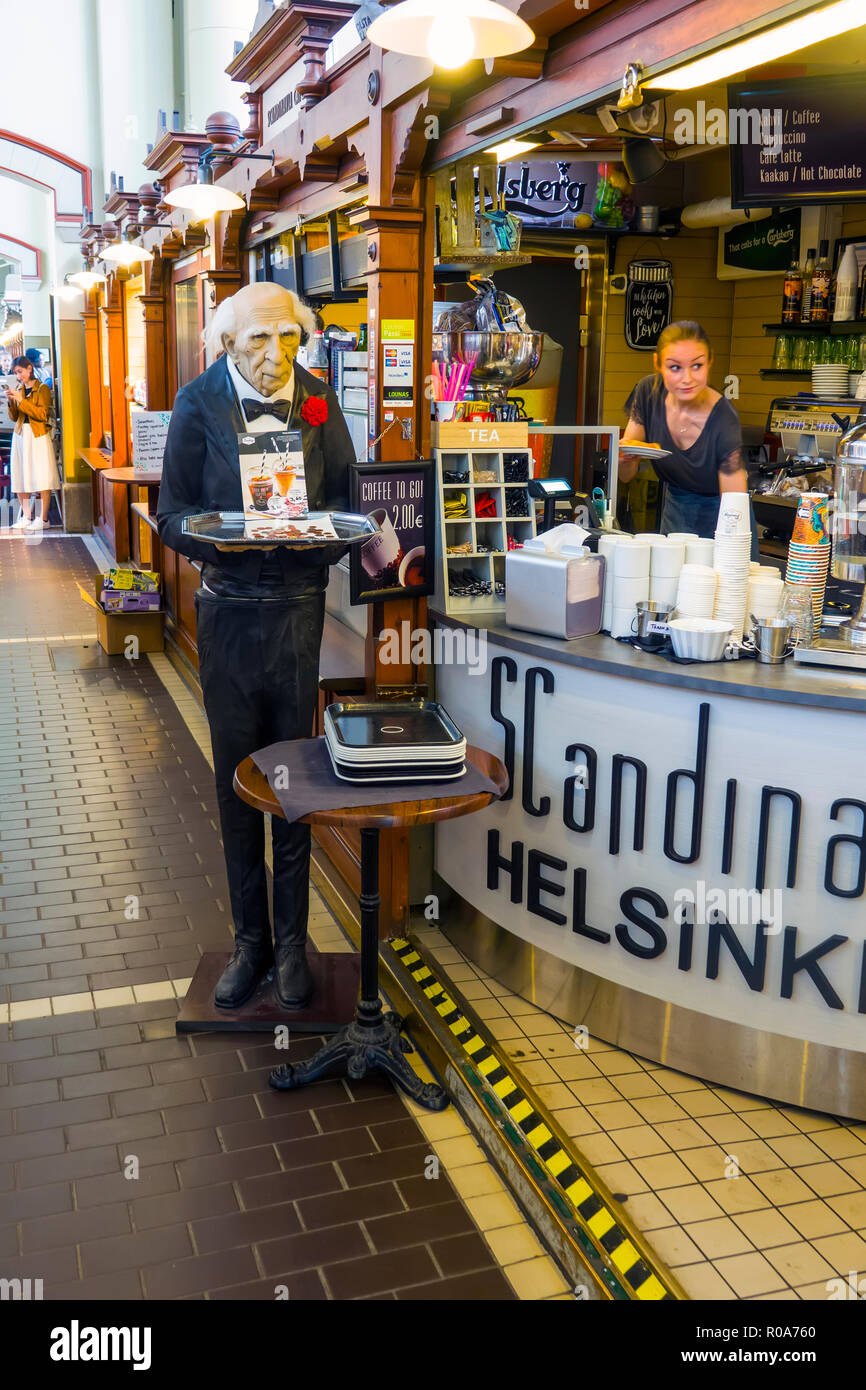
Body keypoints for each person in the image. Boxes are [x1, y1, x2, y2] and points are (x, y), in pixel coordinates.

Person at [157, 283, 356, 1012]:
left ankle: (295, 944)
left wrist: (313, 544)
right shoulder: (196, 403)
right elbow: (169, 514)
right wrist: (219, 537)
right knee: (238, 783)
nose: (276, 357)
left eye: (289, 340)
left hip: (298, 616)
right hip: (228, 615)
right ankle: (250, 943)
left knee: (295, 782)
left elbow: (347, 505)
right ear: (226, 343)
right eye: (257, 342)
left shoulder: (318, 401)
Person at [618, 321, 758, 556]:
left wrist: (733, 556)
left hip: (722, 515)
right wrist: (625, 459)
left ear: (710, 362)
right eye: (675, 367)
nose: (687, 378)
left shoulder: (723, 419)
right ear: (658, 364)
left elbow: (734, 504)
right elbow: (626, 474)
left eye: (697, 366)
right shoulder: (647, 393)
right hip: (677, 508)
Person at [6, 355, 60, 531]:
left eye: (20, 371)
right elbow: (15, 418)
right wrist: (11, 402)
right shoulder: (19, 388)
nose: (19, 376)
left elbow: (41, 414)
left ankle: (43, 519)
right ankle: (27, 516)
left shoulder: (42, 388)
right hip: (21, 435)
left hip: (37, 436)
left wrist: (21, 400)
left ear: (29, 368)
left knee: (41, 474)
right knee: (21, 474)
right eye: (16, 373)